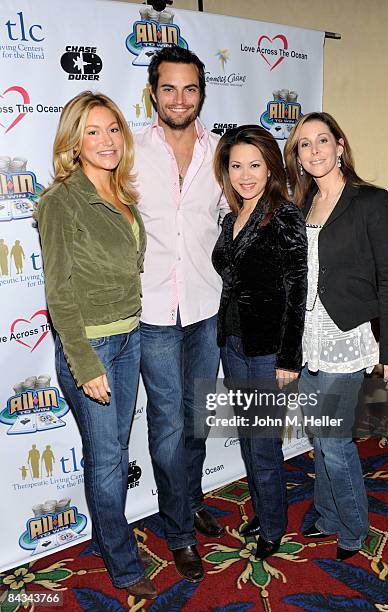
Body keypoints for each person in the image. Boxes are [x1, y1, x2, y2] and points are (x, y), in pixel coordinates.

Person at [37, 92, 156, 598]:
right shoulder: (61, 201)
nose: (106, 140)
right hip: (93, 349)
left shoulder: (120, 192)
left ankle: (111, 537)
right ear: (73, 141)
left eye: (112, 129)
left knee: (112, 452)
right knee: (106, 460)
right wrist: (84, 363)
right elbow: (59, 293)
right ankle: (123, 564)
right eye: (92, 131)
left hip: (130, 338)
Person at [284, 112, 388, 561]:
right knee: (320, 434)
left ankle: (353, 529)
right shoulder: (301, 206)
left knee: (334, 442)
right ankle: (328, 514)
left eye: (322, 140)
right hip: (308, 338)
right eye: (303, 145)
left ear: (339, 145)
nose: (314, 151)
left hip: (345, 337)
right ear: (296, 157)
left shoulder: (371, 201)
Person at [133, 46, 229, 582]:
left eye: (189, 88)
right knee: (168, 423)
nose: (179, 98)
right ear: (153, 92)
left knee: (195, 420)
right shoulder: (130, 150)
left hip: (206, 305)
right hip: (150, 310)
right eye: (168, 88)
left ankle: (189, 501)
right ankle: (179, 533)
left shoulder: (221, 153)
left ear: (201, 94)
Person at [212, 125, 307, 561]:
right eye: (236, 166)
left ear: (270, 167)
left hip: (268, 350)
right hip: (233, 342)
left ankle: (273, 526)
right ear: (226, 170)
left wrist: (289, 356)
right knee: (249, 437)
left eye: (255, 165)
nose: (246, 175)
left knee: (264, 441)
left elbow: (296, 287)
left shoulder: (283, 214)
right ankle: (265, 508)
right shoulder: (233, 216)